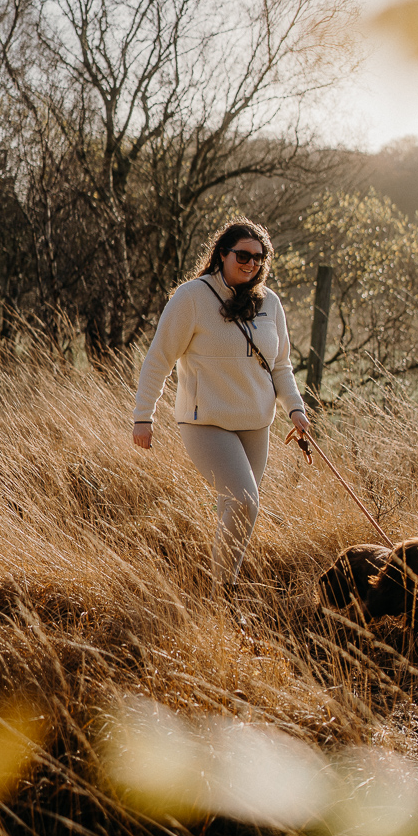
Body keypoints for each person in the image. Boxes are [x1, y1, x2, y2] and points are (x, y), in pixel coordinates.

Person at [132, 219, 310, 588]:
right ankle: (222, 592)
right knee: (245, 501)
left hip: (256, 423)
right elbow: (158, 359)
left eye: (259, 258)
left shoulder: (270, 302)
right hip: (206, 422)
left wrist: (295, 408)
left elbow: (281, 364)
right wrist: (143, 417)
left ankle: (217, 590)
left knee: (236, 508)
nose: (251, 264)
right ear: (221, 254)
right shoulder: (191, 297)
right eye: (242, 255)